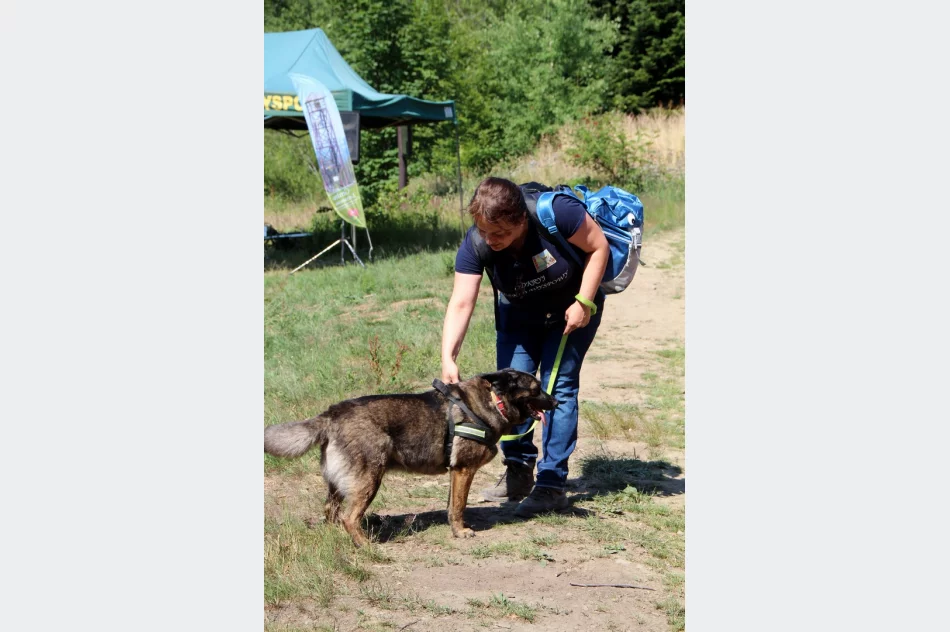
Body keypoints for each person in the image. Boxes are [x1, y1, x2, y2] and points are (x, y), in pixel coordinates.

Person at [440, 177, 609, 517]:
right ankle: (518, 472)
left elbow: (598, 247)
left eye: (500, 233)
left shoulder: (556, 212)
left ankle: (551, 485)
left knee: (556, 386)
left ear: (520, 219)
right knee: (505, 391)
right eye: (485, 231)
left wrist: (584, 301)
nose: (491, 240)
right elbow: (461, 302)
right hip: (518, 315)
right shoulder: (476, 243)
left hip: (571, 311)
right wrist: (448, 356)